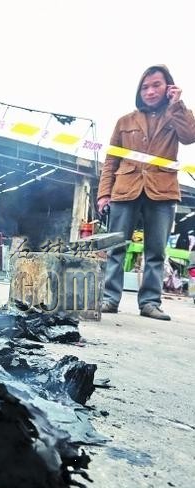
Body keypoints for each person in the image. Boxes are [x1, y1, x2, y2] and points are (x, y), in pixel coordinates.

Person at [97, 64, 195, 320]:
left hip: (162, 191)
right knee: (116, 246)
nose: (150, 91)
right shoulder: (125, 121)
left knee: (156, 250)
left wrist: (177, 105)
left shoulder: (175, 116)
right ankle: (109, 298)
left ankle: (150, 303)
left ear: (169, 88)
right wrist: (103, 194)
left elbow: (190, 136)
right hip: (125, 188)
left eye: (156, 85)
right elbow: (111, 160)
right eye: (145, 87)